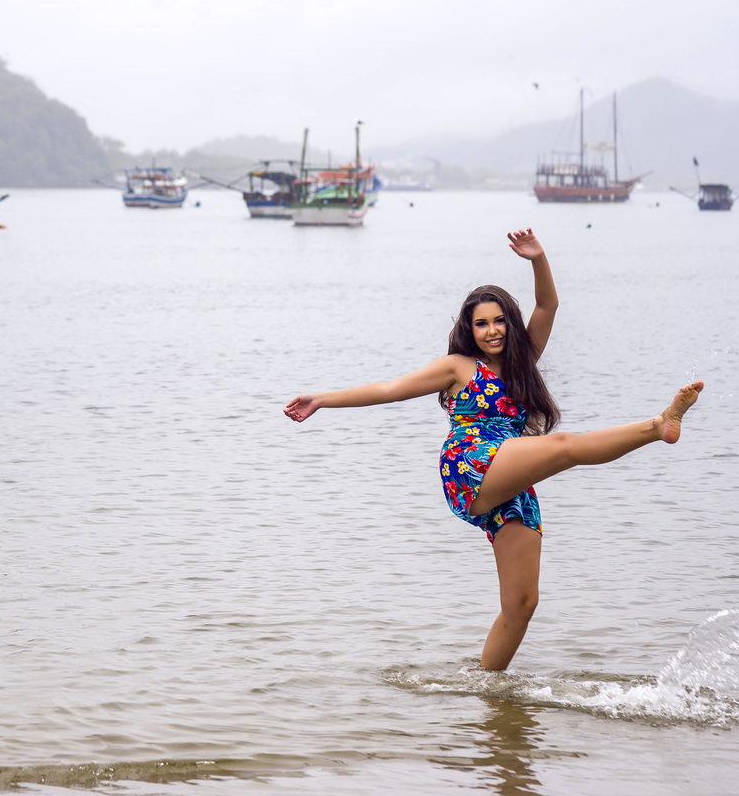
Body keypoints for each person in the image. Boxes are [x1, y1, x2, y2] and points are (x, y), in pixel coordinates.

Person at [283, 228, 703, 671]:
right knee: (561, 446)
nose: (492, 330)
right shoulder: (458, 367)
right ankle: (658, 425)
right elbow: (390, 389)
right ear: (469, 329)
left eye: (499, 320)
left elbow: (547, 306)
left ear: (510, 321)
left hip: (513, 475)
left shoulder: (524, 361)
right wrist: (323, 399)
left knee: (522, 603)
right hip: (471, 463)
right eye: (481, 323)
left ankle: (487, 692)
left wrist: (538, 259)